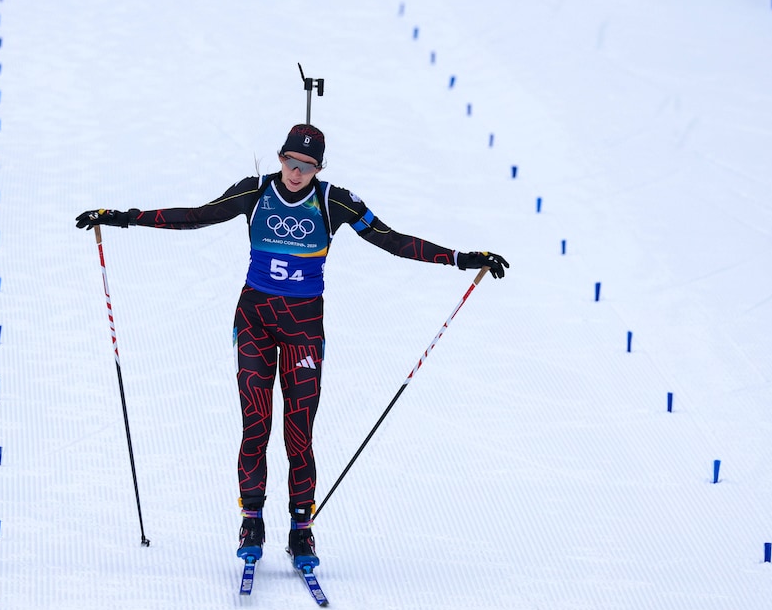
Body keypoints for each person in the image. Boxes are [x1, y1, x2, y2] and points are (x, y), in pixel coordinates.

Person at [76, 123, 508, 570]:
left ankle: (302, 529)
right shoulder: (255, 192)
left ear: (319, 168)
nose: (296, 173)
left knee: (298, 433)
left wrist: (460, 259)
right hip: (255, 321)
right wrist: (122, 217)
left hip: (304, 328)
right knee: (256, 425)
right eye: (290, 162)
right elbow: (196, 216)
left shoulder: (335, 202)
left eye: (307, 166)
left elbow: (391, 240)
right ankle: (252, 522)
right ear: (280, 157)